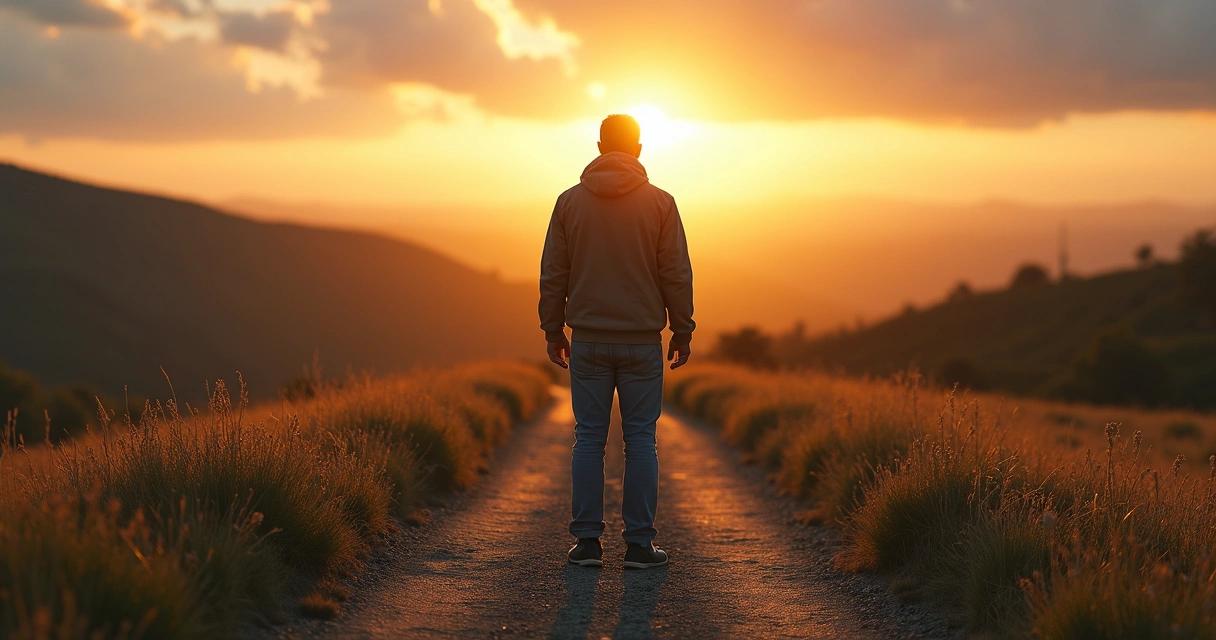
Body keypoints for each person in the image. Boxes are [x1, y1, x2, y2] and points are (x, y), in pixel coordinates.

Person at [538, 113, 695, 570]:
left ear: (600, 146)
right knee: (640, 440)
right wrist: (682, 329)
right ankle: (640, 546)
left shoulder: (569, 203)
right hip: (643, 341)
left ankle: (587, 543)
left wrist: (552, 329)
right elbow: (676, 273)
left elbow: (554, 274)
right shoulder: (661, 204)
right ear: (639, 150)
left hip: (587, 339)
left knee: (588, 439)